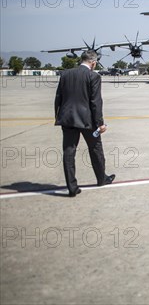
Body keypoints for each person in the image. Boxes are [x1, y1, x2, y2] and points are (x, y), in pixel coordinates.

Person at [54, 50, 115, 197]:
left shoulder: (65, 74)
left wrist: (58, 116)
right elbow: (96, 102)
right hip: (87, 120)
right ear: (93, 63)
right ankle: (101, 179)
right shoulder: (93, 76)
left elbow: (58, 98)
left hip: (67, 119)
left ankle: (72, 187)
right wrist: (100, 123)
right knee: (95, 149)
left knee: (69, 152)